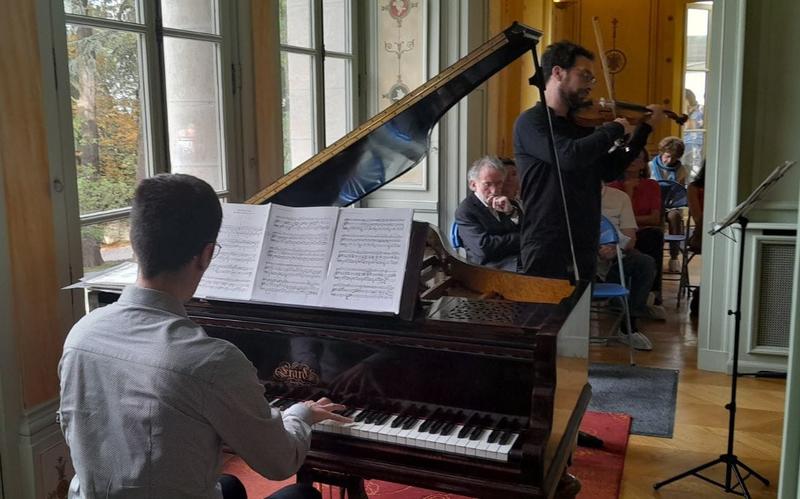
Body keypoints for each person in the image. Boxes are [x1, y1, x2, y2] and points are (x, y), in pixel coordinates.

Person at [58, 173, 351, 499]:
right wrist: (300, 414)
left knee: (230, 485)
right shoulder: (210, 361)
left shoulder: (80, 334)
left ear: (136, 243)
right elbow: (280, 463)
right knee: (302, 495)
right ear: (206, 254)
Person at [513, 40, 663, 281]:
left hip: (584, 239)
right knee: (543, 318)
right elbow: (569, 156)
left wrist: (642, 131)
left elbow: (608, 169)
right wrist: (612, 129)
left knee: (579, 316)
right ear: (558, 72)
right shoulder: (532, 122)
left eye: (592, 79)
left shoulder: (581, 126)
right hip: (546, 242)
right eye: (585, 76)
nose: (590, 86)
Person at [599, 183, 657, 351]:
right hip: (584, 257)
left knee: (645, 262)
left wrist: (613, 248)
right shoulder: (570, 194)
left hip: (617, 253)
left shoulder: (619, 197)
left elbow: (630, 238)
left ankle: (628, 325)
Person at [608, 149, 666, 307]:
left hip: (644, 232)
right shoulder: (612, 187)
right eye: (629, 157)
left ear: (643, 164)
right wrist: (629, 191)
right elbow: (617, 220)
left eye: (638, 157)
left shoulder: (652, 185)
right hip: (621, 235)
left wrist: (630, 222)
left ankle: (652, 292)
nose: (633, 160)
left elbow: (654, 218)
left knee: (654, 235)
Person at [455, 156, 520, 271]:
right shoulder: (466, 210)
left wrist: (511, 212)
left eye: (499, 183)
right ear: (473, 185)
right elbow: (484, 249)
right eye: (487, 184)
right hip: (489, 269)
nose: (494, 190)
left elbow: (530, 234)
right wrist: (519, 238)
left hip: (518, 260)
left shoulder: (508, 203)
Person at [650, 136, 688, 272]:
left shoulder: (681, 169)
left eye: (674, 158)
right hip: (654, 204)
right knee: (655, 217)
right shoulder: (650, 167)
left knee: (675, 217)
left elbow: (680, 193)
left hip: (672, 205)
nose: (670, 160)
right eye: (667, 156)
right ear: (661, 153)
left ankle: (674, 257)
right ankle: (655, 256)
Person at [682, 89, 704, 173]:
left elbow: (691, 127)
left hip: (695, 144)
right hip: (684, 143)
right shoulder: (682, 112)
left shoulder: (700, 110)